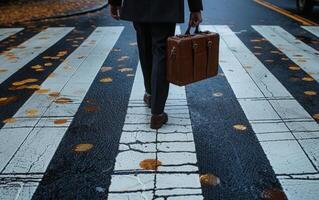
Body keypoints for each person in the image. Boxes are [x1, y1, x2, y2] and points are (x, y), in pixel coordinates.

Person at [109, 0, 203, 129]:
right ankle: (157, 113)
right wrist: (195, 8)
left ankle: (150, 94)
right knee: (161, 51)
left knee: (144, 47)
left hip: (138, 4)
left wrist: (114, 2)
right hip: (166, 5)